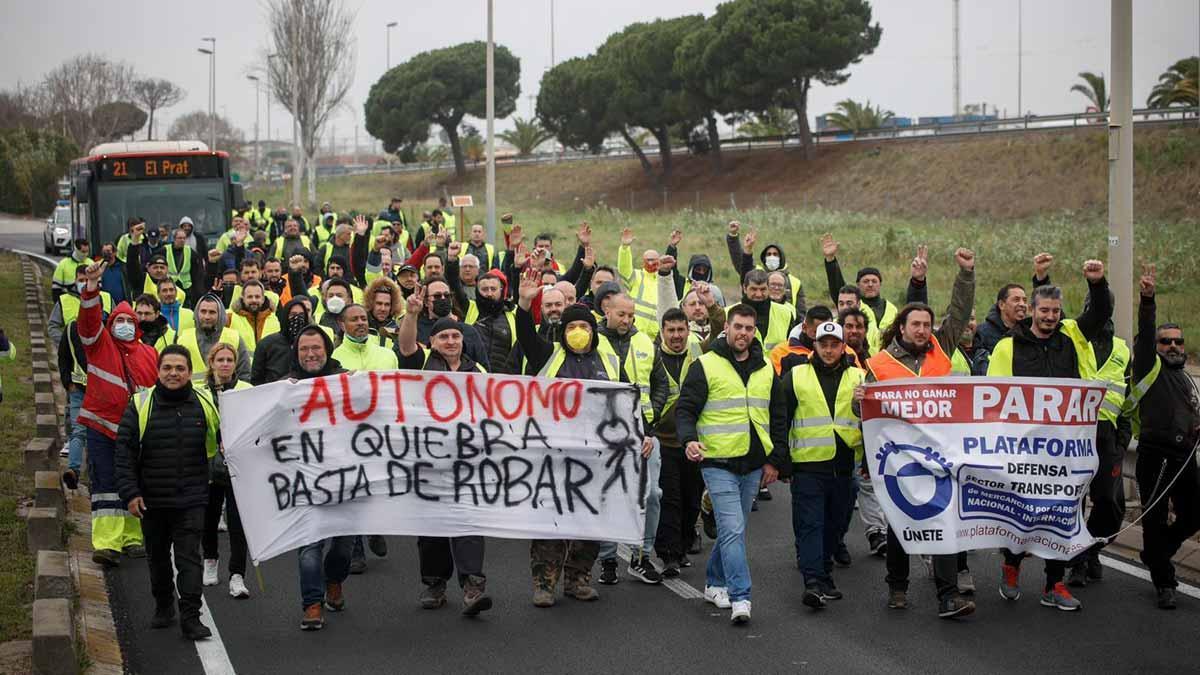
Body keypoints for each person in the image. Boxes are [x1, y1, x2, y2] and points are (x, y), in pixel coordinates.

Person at [987, 260, 1111, 612]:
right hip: (1023, 452)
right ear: (1032, 312)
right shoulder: (1007, 347)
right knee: (1022, 514)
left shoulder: (1071, 339)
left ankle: (1054, 583)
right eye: (1044, 310)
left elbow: (1100, 313)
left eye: (1056, 310)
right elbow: (993, 400)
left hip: (1065, 452)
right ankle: (1012, 567)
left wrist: (1096, 282)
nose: (1051, 316)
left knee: (1063, 515)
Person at [864, 247, 976, 619]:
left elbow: (958, 314)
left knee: (942, 520)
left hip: (939, 455)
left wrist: (966, 274)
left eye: (928, 325)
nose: (923, 330)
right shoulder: (879, 364)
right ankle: (897, 586)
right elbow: (864, 414)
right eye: (917, 324)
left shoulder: (941, 350)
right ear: (901, 327)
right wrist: (857, 400)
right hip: (897, 459)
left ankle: (948, 595)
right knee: (901, 524)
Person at [675, 303, 789, 624]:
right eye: (738, 327)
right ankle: (741, 597)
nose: (743, 334)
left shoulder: (766, 367)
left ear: (755, 332)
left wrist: (775, 461)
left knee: (732, 531)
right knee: (733, 529)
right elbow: (685, 410)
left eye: (749, 329)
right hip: (717, 460)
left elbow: (778, 417)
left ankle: (714, 582)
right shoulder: (705, 365)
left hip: (752, 463)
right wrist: (689, 440)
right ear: (726, 327)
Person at [516, 269, 619, 606]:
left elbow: (626, 401)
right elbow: (526, 336)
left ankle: (578, 579)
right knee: (551, 522)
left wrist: (640, 433)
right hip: (554, 456)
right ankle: (544, 584)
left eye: (584, 327)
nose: (578, 332)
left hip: (595, 458)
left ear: (594, 332)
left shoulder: (610, 361)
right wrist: (524, 304)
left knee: (588, 520)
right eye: (572, 327)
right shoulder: (550, 355)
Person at [396, 288, 493, 615]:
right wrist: (411, 314)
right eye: (444, 337)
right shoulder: (420, 363)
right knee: (433, 526)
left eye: (456, 336)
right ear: (433, 342)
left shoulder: (477, 372)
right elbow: (406, 345)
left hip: (468, 462)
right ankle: (435, 583)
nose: (451, 341)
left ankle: (472, 586)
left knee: (468, 522)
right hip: (429, 462)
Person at [114, 344, 219, 640]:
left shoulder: (205, 402)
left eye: (180, 368)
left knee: (189, 559)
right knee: (157, 558)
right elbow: (124, 451)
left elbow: (230, 433)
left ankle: (191, 617)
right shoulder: (140, 404)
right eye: (168, 368)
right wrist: (130, 493)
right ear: (158, 372)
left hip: (192, 497)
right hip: (152, 499)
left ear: (189, 372)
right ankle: (163, 604)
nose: (173, 373)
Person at [1125, 264, 1200, 609]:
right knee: (1154, 521)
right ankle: (1164, 582)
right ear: (1154, 346)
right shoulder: (1148, 367)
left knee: (1193, 516)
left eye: (1178, 341)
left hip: (1185, 458)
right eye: (1165, 341)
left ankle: (1155, 554)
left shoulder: (1184, 378)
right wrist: (1147, 299)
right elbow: (1145, 330)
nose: (1172, 346)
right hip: (1155, 457)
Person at [77, 261, 159, 567]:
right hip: (101, 426)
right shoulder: (99, 344)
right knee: (105, 484)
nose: (123, 323)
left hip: (136, 429)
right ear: (111, 323)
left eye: (129, 320)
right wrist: (91, 287)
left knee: (135, 482)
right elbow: (87, 322)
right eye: (118, 319)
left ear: (136, 325)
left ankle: (133, 538)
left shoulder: (149, 354)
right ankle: (107, 543)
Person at [783, 321, 864, 609]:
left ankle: (824, 572)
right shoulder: (795, 376)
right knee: (811, 525)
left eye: (834, 344)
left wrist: (862, 405)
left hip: (844, 466)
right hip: (807, 465)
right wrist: (781, 461)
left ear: (844, 347)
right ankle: (814, 582)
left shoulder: (860, 377)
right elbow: (781, 419)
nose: (828, 350)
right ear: (814, 345)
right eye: (823, 344)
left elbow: (874, 423)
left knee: (836, 524)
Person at [595, 293, 669, 586]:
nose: (626, 320)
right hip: (606, 437)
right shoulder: (591, 342)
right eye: (621, 314)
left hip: (645, 434)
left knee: (651, 495)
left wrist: (650, 429)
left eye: (630, 315)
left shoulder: (646, 343)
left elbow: (661, 384)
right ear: (607, 310)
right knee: (610, 497)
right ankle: (608, 559)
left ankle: (642, 556)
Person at [289, 325, 354, 630]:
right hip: (305, 481)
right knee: (309, 545)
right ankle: (312, 604)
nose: (311, 354)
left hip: (346, 479)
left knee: (343, 546)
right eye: (304, 349)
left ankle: (334, 581)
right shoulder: (285, 388)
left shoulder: (348, 382)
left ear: (327, 351)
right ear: (296, 353)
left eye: (316, 348)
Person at [654, 299, 722, 577]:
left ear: (688, 330)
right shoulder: (652, 356)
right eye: (671, 330)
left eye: (681, 330)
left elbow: (720, 329)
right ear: (662, 332)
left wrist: (712, 306)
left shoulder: (699, 350)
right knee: (670, 499)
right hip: (664, 440)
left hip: (694, 440)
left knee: (692, 499)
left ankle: (681, 548)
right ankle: (668, 554)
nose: (677, 336)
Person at [198, 343, 253, 599]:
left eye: (230, 359)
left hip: (238, 468)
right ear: (212, 363)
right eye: (220, 359)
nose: (225, 364)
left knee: (237, 523)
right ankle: (210, 559)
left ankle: (237, 575)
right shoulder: (199, 393)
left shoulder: (246, 391)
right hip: (208, 466)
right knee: (209, 519)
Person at [821, 235, 929, 352]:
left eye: (874, 281)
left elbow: (916, 311)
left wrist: (918, 280)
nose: (870, 284)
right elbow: (839, 289)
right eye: (866, 281)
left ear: (880, 284)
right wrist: (831, 261)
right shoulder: (853, 305)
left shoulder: (891, 309)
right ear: (858, 285)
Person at [976, 253, 1052, 354]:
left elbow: (1047, 305)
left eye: (1024, 300)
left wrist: (1041, 278)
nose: (1022, 304)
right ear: (1002, 305)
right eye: (1016, 300)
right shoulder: (982, 333)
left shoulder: (1030, 331)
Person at [726, 221, 804, 310]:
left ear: (781, 257)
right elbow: (740, 262)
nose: (772, 257)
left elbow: (801, 311)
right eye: (769, 254)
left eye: (775, 254)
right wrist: (734, 238)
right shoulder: (756, 273)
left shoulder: (795, 282)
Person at [176, 295, 251, 384]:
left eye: (212, 312)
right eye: (203, 312)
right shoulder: (184, 338)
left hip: (227, 394)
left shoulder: (234, 337)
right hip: (194, 395)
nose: (207, 317)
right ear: (197, 313)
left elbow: (244, 374)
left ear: (220, 315)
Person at [252, 297, 316, 385]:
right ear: (285, 316)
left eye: (301, 315)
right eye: (292, 314)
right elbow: (256, 379)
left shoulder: (312, 343)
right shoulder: (267, 344)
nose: (297, 318)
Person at [617, 227, 664, 339]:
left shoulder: (664, 280)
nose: (651, 262)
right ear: (643, 261)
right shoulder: (637, 276)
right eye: (648, 260)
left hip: (658, 337)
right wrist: (625, 248)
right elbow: (624, 267)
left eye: (653, 259)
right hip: (635, 333)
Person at [740, 269, 796, 353]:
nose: (758, 294)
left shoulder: (786, 313)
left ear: (768, 289)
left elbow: (792, 348)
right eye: (753, 289)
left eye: (763, 289)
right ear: (744, 288)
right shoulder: (728, 313)